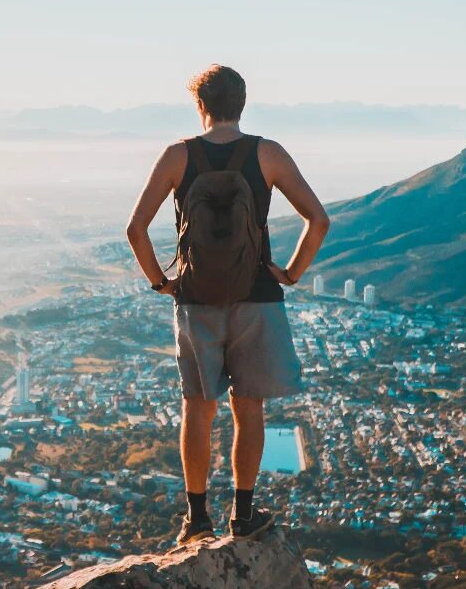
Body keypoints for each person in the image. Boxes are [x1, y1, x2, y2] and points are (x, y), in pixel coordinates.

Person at [125, 64, 329, 544]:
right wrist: (291, 273)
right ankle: (243, 514)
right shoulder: (268, 154)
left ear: (200, 105)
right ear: (242, 103)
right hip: (256, 296)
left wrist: (162, 283)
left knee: (199, 407)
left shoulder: (177, 156)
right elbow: (318, 220)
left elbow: (135, 229)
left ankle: (197, 519)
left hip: (196, 299)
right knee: (249, 407)